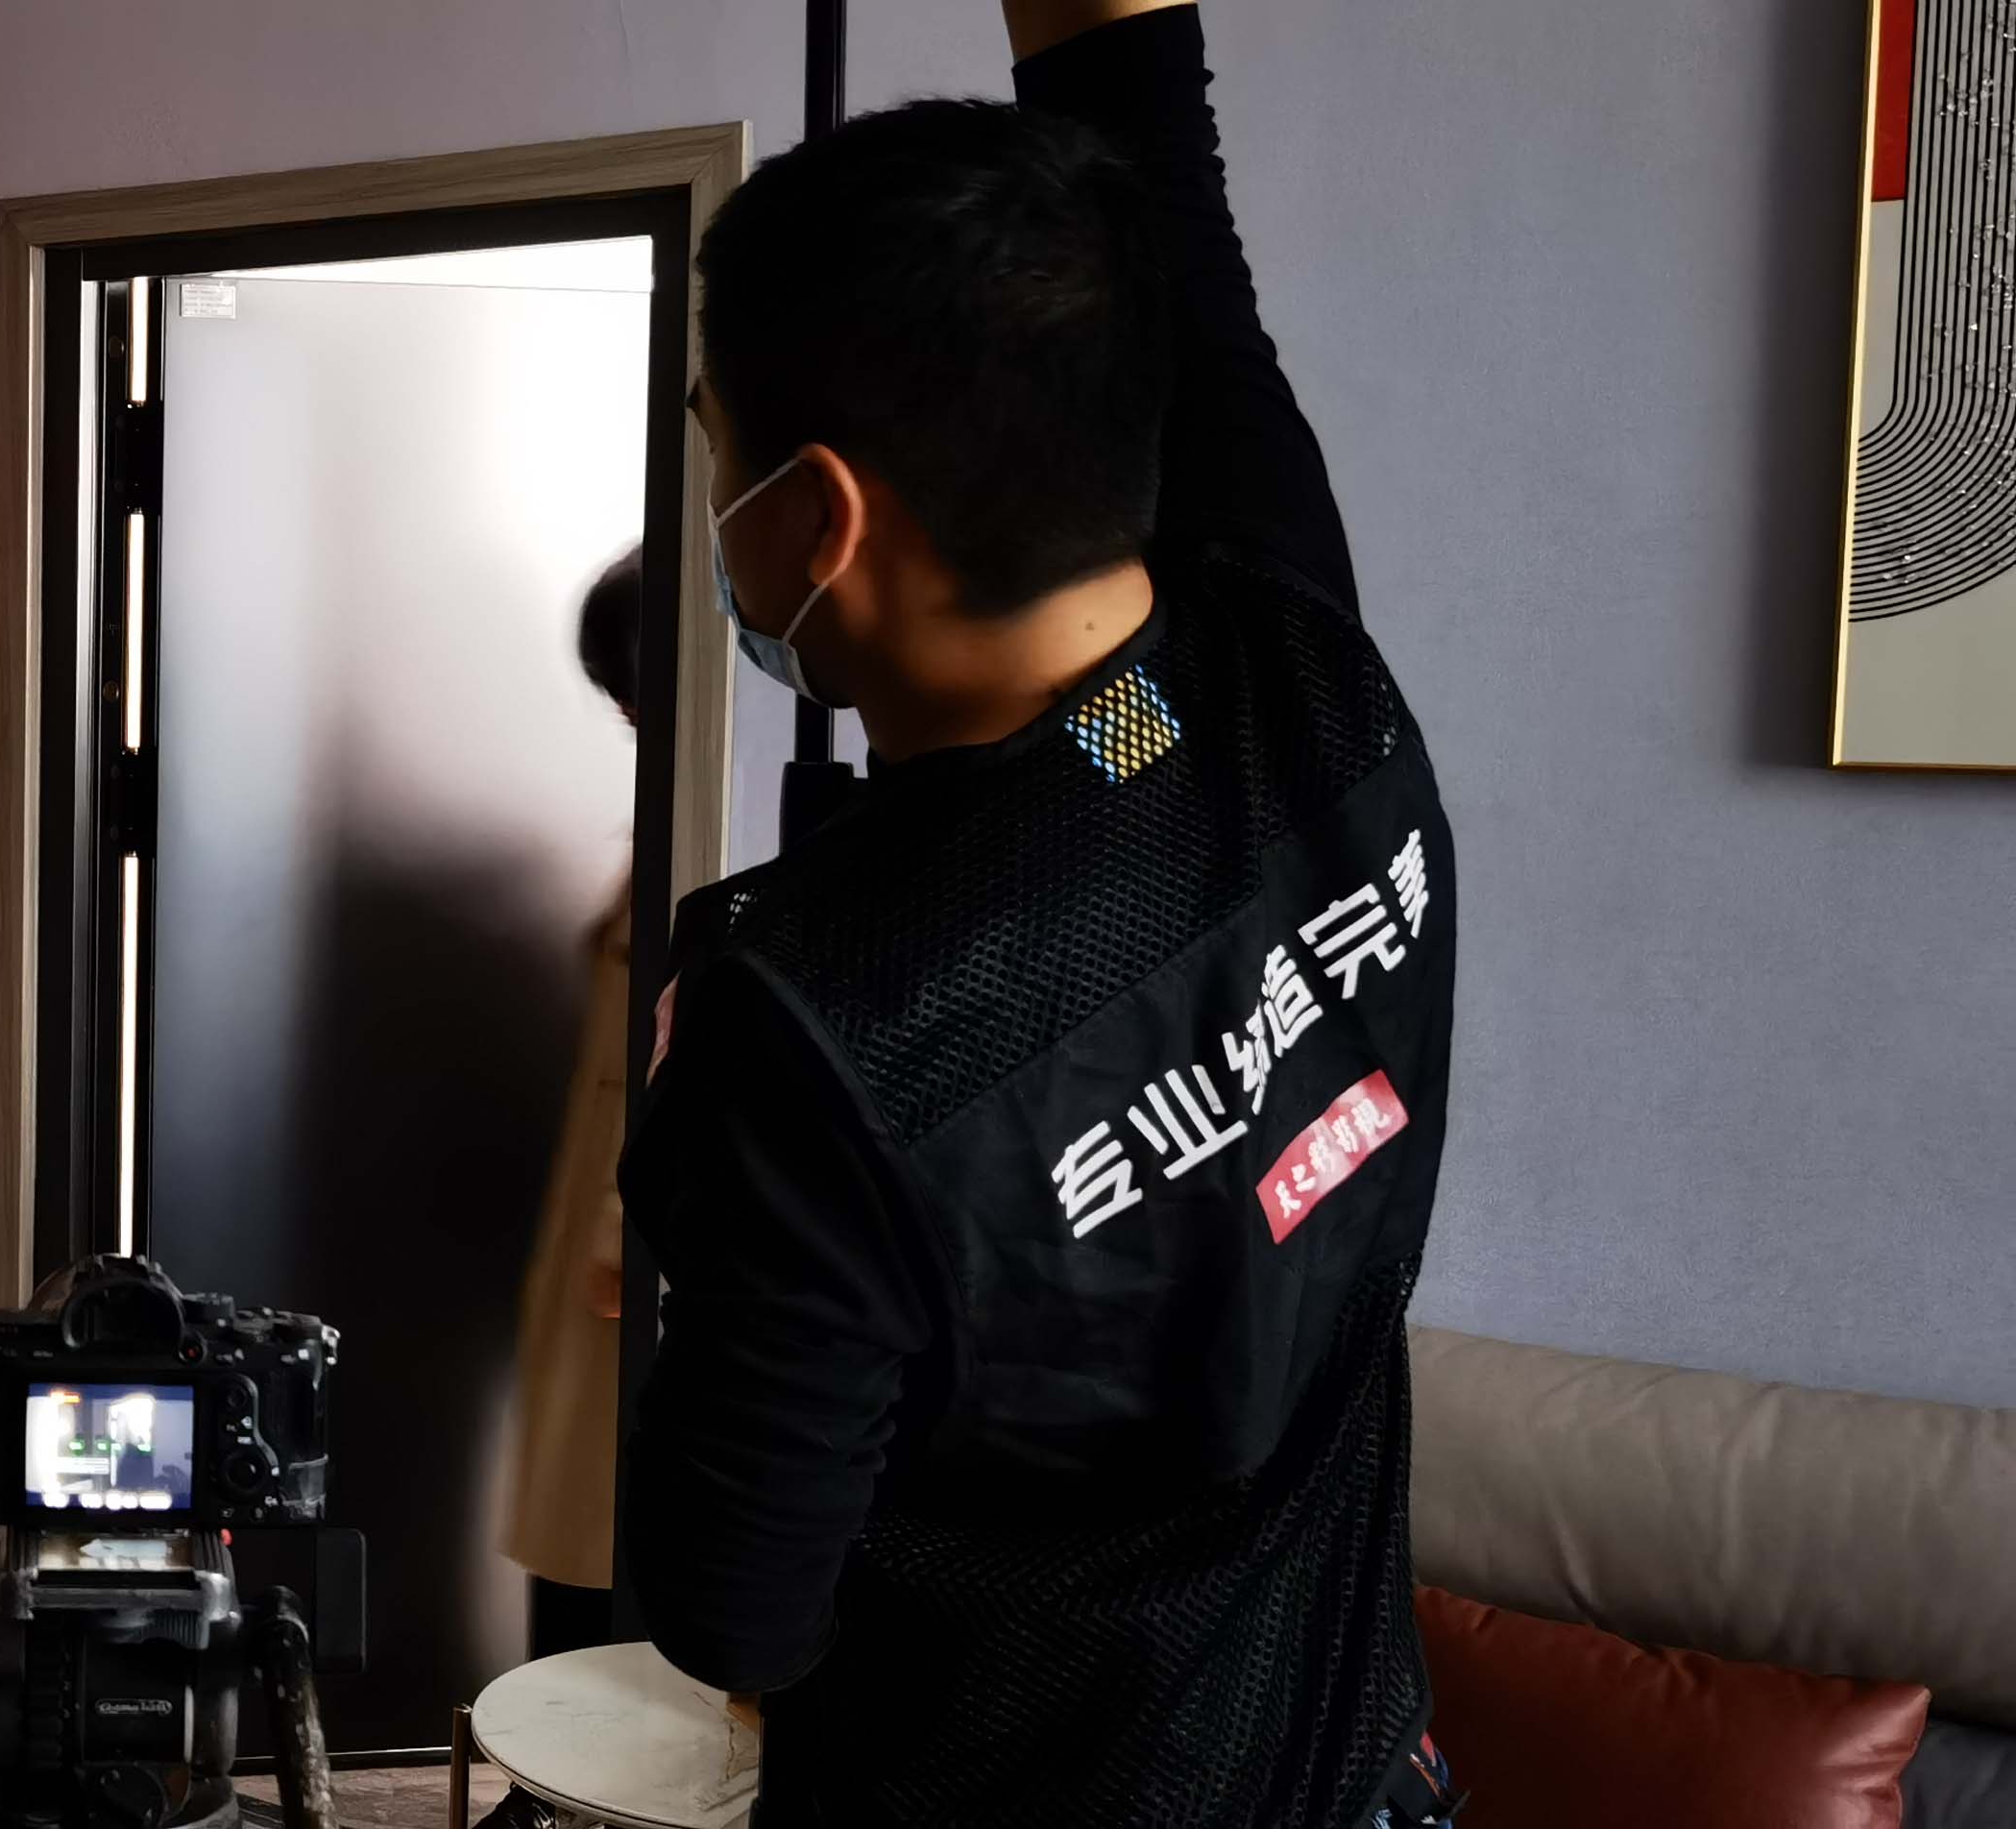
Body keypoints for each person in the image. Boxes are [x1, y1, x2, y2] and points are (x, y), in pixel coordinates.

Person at [619, 3, 1463, 1824]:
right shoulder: (1292, 665)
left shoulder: (820, 1024)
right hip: (1355, 1774)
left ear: (818, 519)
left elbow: (731, 1607)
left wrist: (708, 1211)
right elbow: (1158, 152)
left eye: (712, 443)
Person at [499, 548, 644, 1662]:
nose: (624, 711)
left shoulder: (707, 811)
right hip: (599, 1222)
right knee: (579, 1529)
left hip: (627, 1239)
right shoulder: (664, 820)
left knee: (605, 1539)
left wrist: (616, 1233)